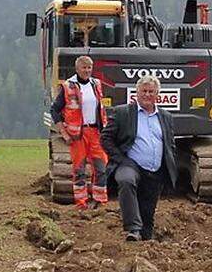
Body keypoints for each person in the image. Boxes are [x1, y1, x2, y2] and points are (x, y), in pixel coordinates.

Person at [101, 75, 177, 241]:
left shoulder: (165, 117)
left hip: (155, 170)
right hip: (130, 164)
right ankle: (132, 229)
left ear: (157, 94)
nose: (147, 95)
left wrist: (170, 167)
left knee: (148, 212)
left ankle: (146, 237)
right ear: (137, 93)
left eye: (151, 91)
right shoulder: (123, 113)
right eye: (144, 91)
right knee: (126, 181)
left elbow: (170, 144)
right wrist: (120, 159)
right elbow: (105, 138)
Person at [50, 56, 109, 209]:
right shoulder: (68, 86)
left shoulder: (96, 84)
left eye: (89, 68)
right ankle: (81, 202)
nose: (87, 70)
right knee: (79, 169)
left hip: (95, 131)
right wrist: (63, 132)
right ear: (77, 69)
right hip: (77, 135)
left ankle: (99, 200)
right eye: (84, 68)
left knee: (101, 168)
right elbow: (55, 110)